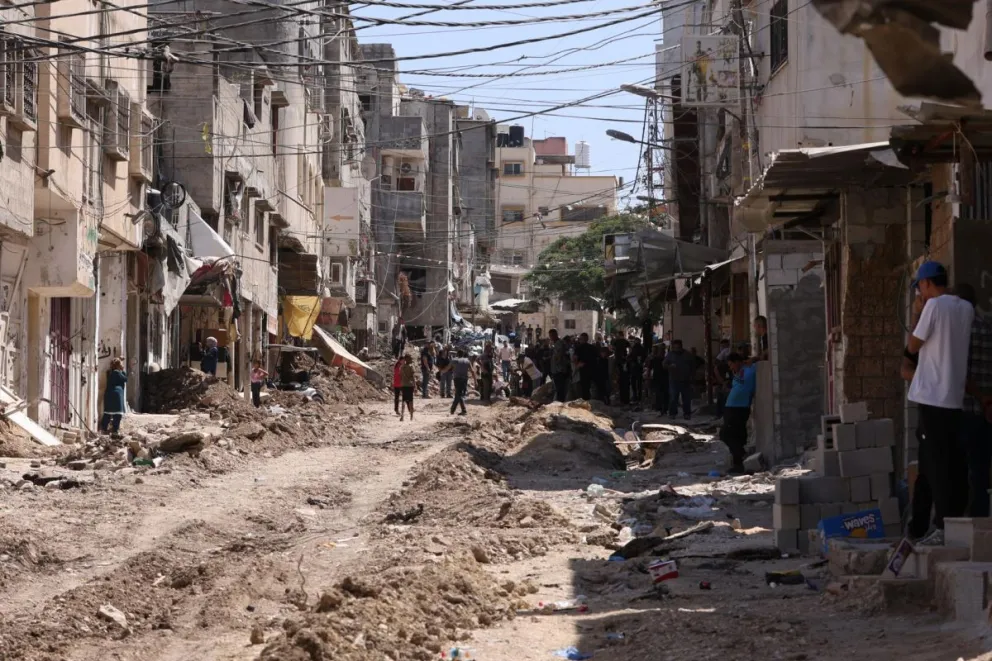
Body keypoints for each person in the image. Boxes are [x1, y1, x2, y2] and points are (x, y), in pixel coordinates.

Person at [906, 261, 974, 545]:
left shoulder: (933, 307)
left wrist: (917, 313)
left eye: (920, 287)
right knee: (935, 463)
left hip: (932, 397)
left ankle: (942, 526)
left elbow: (912, 346)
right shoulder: (966, 308)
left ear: (926, 284)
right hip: (953, 398)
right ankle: (918, 527)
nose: (920, 293)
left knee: (937, 466)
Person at [951, 283, 992, 518]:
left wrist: (979, 396)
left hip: (966, 409)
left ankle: (962, 521)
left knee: (959, 469)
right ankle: (981, 519)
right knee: (981, 471)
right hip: (986, 413)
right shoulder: (987, 327)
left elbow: (961, 374)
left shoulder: (960, 332)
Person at [721, 353, 757, 474]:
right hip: (731, 407)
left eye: (732, 364)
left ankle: (740, 459)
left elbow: (766, 355)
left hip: (740, 408)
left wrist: (752, 359)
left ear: (737, 361)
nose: (731, 367)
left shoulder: (751, 369)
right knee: (736, 435)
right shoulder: (737, 372)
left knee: (727, 434)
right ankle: (740, 461)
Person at [664, 339, 695, 420]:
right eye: (675, 348)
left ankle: (687, 413)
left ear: (681, 346)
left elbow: (693, 366)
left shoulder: (687, 354)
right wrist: (670, 366)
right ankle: (672, 413)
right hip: (674, 380)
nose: (677, 349)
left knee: (686, 398)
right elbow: (664, 364)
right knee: (673, 397)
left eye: (678, 347)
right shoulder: (670, 354)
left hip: (685, 379)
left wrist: (692, 377)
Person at [100, 357, 127, 437]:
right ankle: (115, 430)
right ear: (118, 366)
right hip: (117, 395)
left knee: (107, 413)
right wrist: (123, 370)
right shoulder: (118, 373)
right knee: (117, 414)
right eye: (121, 364)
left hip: (109, 394)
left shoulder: (109, 372)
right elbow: (125, 379)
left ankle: (103, 429)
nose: (122, 365)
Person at [574, 332, 598, 401]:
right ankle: (593, 400)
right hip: (593, 369)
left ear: (581, 339)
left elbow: (575, 358)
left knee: (585, 387)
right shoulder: (593, 347)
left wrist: (577, 365)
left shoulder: (579, 348)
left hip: (583, 369)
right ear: (587, 339)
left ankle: (586, 400)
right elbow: (597, 358)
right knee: (593, 387)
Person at [549, 329, 570, 403]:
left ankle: (560, 403)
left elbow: (559, 355)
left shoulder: (559, 343)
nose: (550, 337)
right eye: (550, 336)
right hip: (556, 370)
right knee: (558, 389)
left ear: (555, 335)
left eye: (551, 335)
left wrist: (557, 363)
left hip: (559, 370)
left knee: (560, 389)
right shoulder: (556, 343)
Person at [450, 349, 472, 415]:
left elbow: (448, 368)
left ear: (457, 354)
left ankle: (462, 410)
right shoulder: (467, 361)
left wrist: (441, 372)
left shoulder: (455, 360)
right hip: (464, 379)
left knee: (459, 395)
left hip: (457, 379)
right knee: (459, 394)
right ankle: (453, 410)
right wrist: (475, 380)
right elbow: (472, 371)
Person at [648, 344, 669, 413]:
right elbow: (649, 368)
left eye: (663, 351)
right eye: (661, 351)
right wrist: (648, 377)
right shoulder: (654, 360)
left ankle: (664, 407)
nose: (662, 352)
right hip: (657, 378)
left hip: (664, 378)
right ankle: (659, 407)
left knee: (664, 393)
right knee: (658, 393)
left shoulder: (666, 360)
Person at [612, 330, 630, 405]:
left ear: (619, 335)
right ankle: (624, 399)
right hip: (624, 362)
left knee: (619, 379)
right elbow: (629, 349)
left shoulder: (616, 341)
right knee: (624, 379)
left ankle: (620, 397)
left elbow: (613, 348)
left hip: (618, 361)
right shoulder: (625, 341)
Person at [628, 336, 645, 403]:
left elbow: (632, 356)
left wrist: (631, 360)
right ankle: (637, 396)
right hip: (637, 368)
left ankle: (636, 396)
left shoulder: (636, 348)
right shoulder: (639, 348)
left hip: (635, 367)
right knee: (637, 383)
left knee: (635, 383)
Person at [399, 355, 416, 421]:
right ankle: (411, 416)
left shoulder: (401, 367)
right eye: (410, 358)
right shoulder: (411, 367)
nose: (411, 360)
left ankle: (402, 416)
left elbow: (400, 376)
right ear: (407, 359)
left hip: (403, 385)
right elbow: (413, 377)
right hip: (410, 385)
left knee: (403, 400)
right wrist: (415, 385)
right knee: (410, 401)